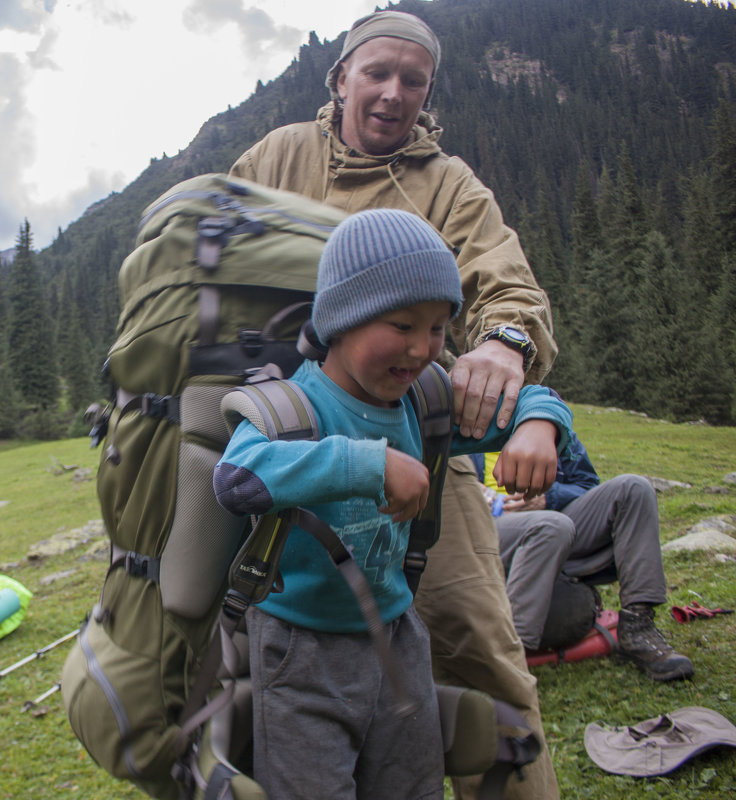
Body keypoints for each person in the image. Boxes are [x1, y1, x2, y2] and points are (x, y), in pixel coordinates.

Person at [229, 10, 562, 798]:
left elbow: (508, 286)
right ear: (340, 77)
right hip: (286, 435)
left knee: (477, 647)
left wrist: (502, 344)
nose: (392, 93)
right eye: (376, 72)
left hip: (416, 443)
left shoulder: (448, 183)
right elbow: (210, 250)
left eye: (413, 80)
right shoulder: (278, 154)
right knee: (231, 651)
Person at [474, 438, 694, 681]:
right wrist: (468, 493)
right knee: (551, 527)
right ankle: (509, 658)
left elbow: (586, 484)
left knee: (634, 488)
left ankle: (638, 626)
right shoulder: (459, 420)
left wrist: (549, 497)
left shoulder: (543, 420)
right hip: (487, 536)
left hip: (558, 530)